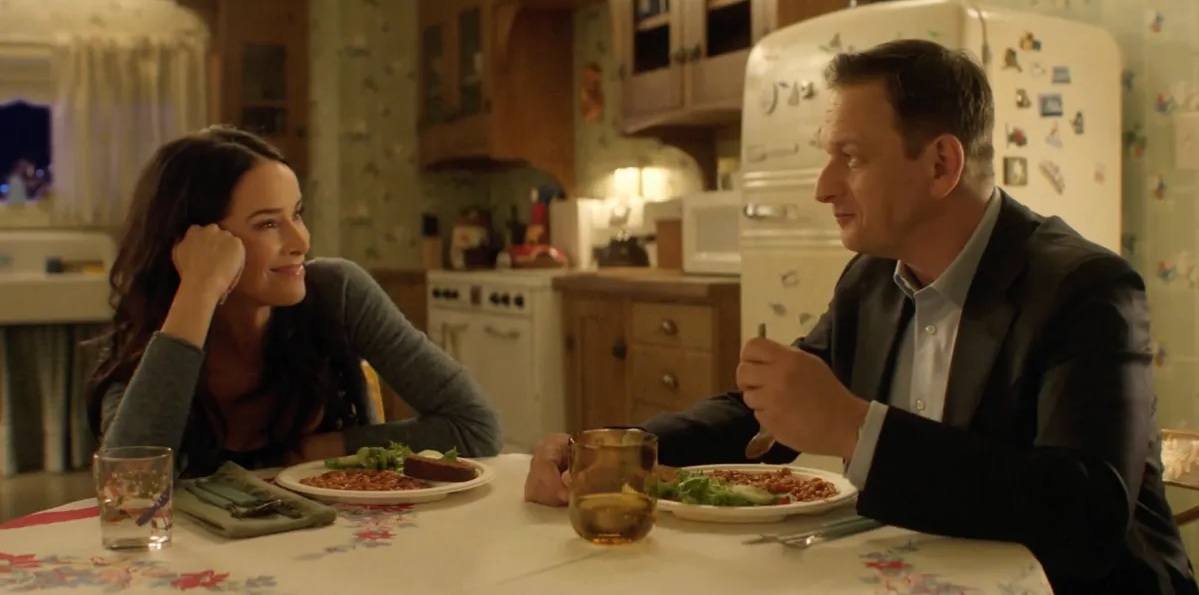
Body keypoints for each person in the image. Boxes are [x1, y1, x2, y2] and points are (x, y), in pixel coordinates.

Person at [524, 40, 1198, 595]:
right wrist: (619, 453)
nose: (823, 187)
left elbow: (1085, 518)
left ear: (941, 163)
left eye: (849, 157)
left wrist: (854, 426)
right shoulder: (873, 279)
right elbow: (772, 411)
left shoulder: (1086, 290)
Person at [87, 126, 502, 477]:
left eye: (297, 214)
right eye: (268, 223)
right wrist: (197, 291)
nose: (301, 241)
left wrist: (311, 452)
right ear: (197, 242)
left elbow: (475, 429)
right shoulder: (146, 335)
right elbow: (128, 487)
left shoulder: (337, 292)